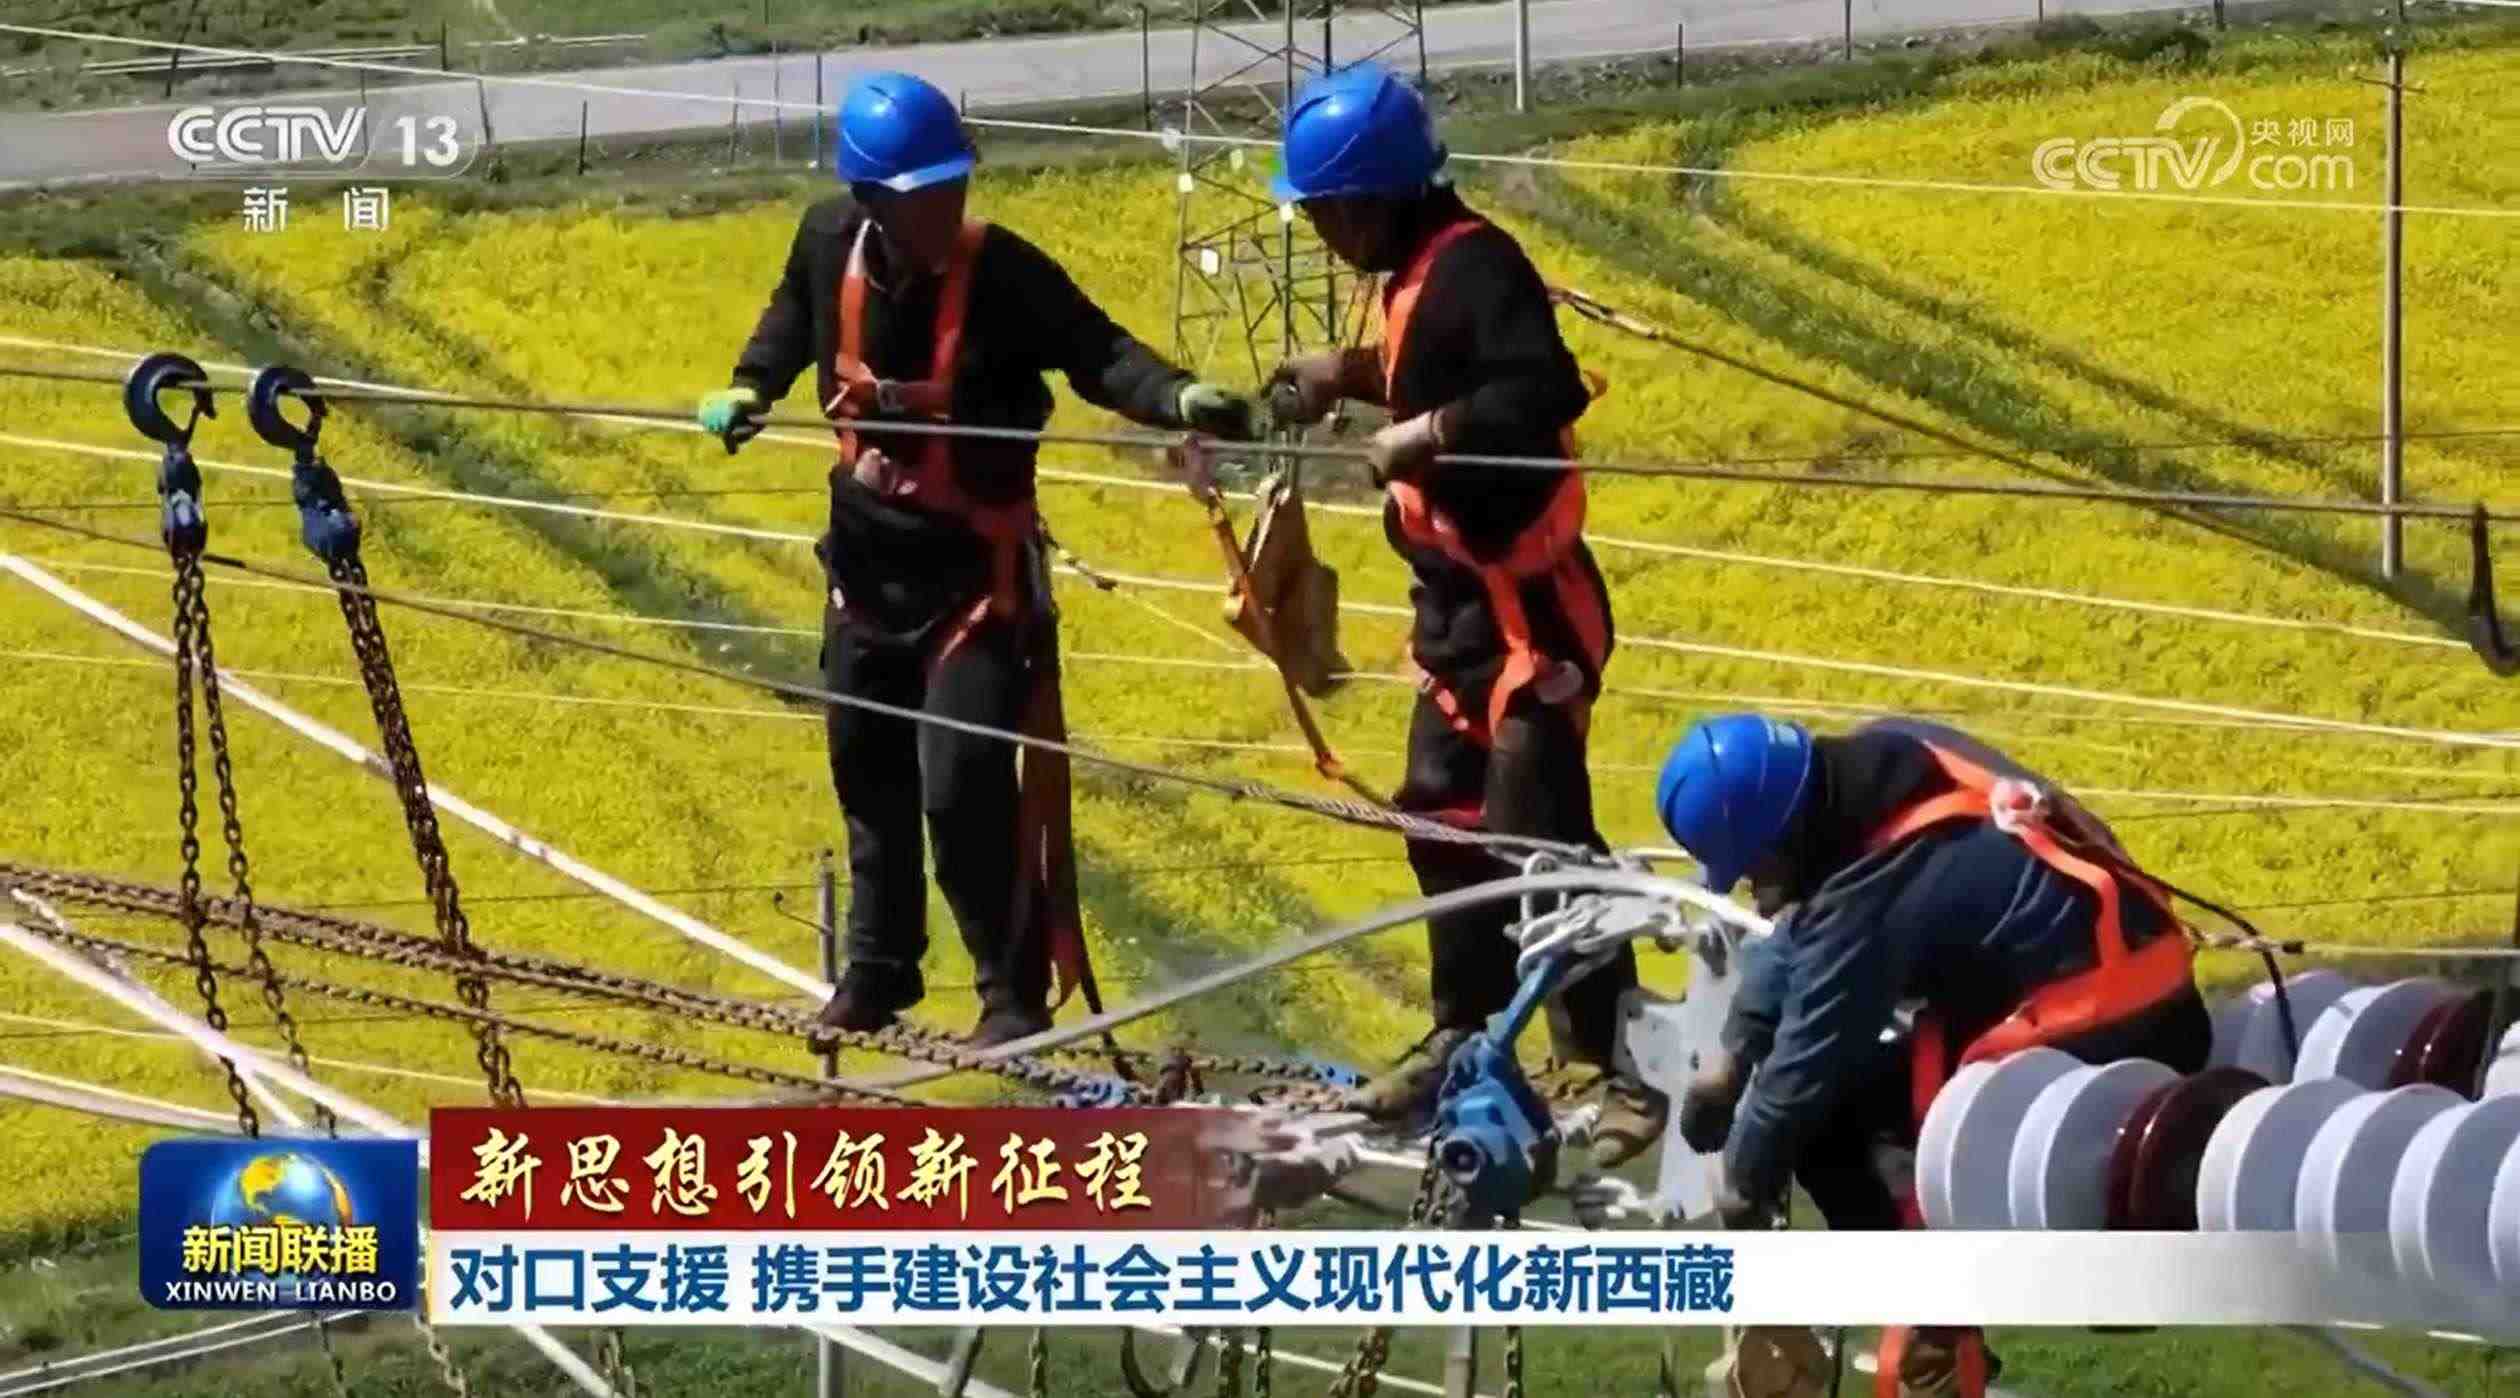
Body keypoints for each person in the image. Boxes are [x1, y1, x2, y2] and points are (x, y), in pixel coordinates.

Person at [698, 70, 1257, 1048]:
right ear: (872, 200)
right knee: (867, 776)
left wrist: (1175, 397)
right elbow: (791, 317)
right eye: (925, 194)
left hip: (973, 583)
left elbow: (1098, 351)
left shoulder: (1002, 274)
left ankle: (1010, 996)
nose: (946, 207)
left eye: (954, 185)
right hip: (866, 570)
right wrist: (751, 386)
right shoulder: (827, 240)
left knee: (963, 789)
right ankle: (880, 972)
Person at [1262, 63, 1660, 1165]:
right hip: (1457, 615)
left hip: (1532, 615)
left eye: (1324, 213)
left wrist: (1425, 434)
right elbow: (1426, 362)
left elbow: (1541, 388)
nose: (1322, 233)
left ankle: (1613, 1065)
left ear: (1369, 201)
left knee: (1539, 836)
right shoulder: (1412, 271)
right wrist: (1342, 373)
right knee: (1438, 816)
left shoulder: (1480, 263)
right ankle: (1461, 1030)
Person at [1656, 713, 2211, 1398]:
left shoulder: (1872, 885)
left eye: (1755, 864)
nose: (1751, 882)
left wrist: (1743, 1183)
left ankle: (1938, 1321)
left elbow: (1804, 1071)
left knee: (1831, 1129)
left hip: (2110, 1035)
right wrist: (1733, 1059)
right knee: (1854, 1099)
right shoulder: (1891, 764)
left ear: (1786, 835)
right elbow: (1799, 926)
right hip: (2147, 984)